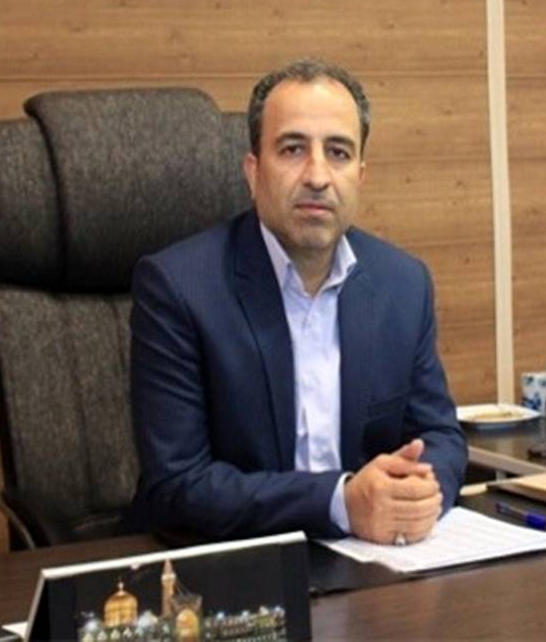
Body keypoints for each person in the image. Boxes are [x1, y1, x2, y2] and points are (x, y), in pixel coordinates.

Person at [128, 58, 466, 545]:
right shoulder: (179, 288)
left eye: (338, 152)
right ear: (253, 171)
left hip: (373, 557)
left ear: (361, 176)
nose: (318, 176)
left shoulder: (403, 284)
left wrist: (416, 496)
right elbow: (178, 484)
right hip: (233, 562)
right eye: (292, 149)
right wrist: (341, 502)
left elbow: (441, 437)